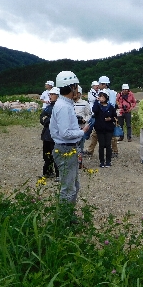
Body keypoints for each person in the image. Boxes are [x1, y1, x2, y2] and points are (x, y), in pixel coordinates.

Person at [49, 71, 90, 205]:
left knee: (73, 185)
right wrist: (82, 131)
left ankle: (68, 217)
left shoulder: (64, 104)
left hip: (68, 148)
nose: (78, 90)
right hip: (65, 149)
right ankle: (64, 220)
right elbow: (65, 133)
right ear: (71, 87)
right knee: (68, 188)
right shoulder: (63, 107)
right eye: (76, 86)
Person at [92, 89, 117, 168]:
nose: (101, 98)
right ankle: (102, 161)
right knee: (101, 145)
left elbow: (115, 117)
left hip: (109, 128)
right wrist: (96, 101)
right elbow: (94, 110)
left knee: (108, 145)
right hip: (99, 128)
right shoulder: (98, 106)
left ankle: (108, 161)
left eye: (103, 96)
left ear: (106, 97)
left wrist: (111, 119)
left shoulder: (111, 107)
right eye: (100, 96)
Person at [40, 87, 60, 179]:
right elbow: (42, 119)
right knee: (46, 155)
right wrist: (50, 119)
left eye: (52, 94)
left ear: (58, 96)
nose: (50, 96)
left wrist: (49, 119)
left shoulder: (60, 107)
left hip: (56, 135)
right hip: (47, 135)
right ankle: (47, 172)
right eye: (50, 94)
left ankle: (59, 175)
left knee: (56, 155)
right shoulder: (48, 108)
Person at [73, 86, 92, 153]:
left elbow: (89, 114)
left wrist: (85, 120)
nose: (74, 94)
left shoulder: (84, 103)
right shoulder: (69, 103)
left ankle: (79, 159)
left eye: (76, 92)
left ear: (79, 94)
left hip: (81, 126)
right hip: (72, 127)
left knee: (80, 144)